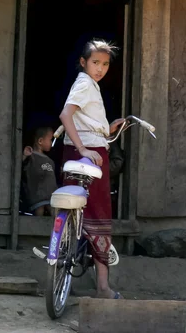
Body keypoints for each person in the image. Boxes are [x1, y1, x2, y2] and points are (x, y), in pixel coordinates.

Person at [59, 39, 125, 299]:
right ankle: (103, 287)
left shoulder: (88, 85)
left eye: (105, 64)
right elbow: (66, 114)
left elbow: (79, 119)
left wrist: (106, 130)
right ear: (83, 62)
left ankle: (66, 276)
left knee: (76, 212)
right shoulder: (85, 84)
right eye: (95, 62)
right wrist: (85, 149)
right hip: (89, 156)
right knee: (98, 215)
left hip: (83, 150)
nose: (100, 68)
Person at [20, 127, 58, 216]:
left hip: (51, 196)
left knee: (55, 214)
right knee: (38, 214)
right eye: (50, 139)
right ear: (40, 141)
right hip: (36, 196)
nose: (52, 143)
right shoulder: (31, 156)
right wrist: (24, 155)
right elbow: (20, 166)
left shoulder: (50, 161)